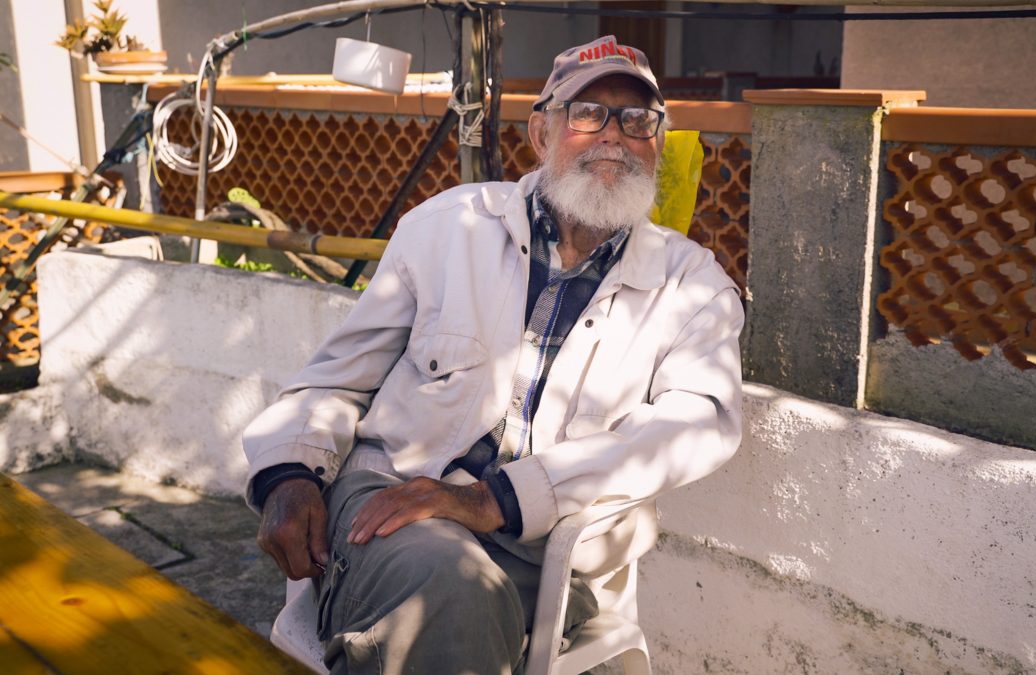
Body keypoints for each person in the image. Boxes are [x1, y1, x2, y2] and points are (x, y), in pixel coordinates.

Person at [243, 35, 743, 674]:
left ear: (657, 143)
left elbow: (700, 422)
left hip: (547, 546)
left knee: (466, 607)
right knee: (449, 590)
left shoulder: (692, 284)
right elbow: (336, 380)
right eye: (588, 114)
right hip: (391, 502)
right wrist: (287, 474)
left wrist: (500, 498)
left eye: (638, 120)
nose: (615, 136)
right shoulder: (445, 228)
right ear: (541, 132)